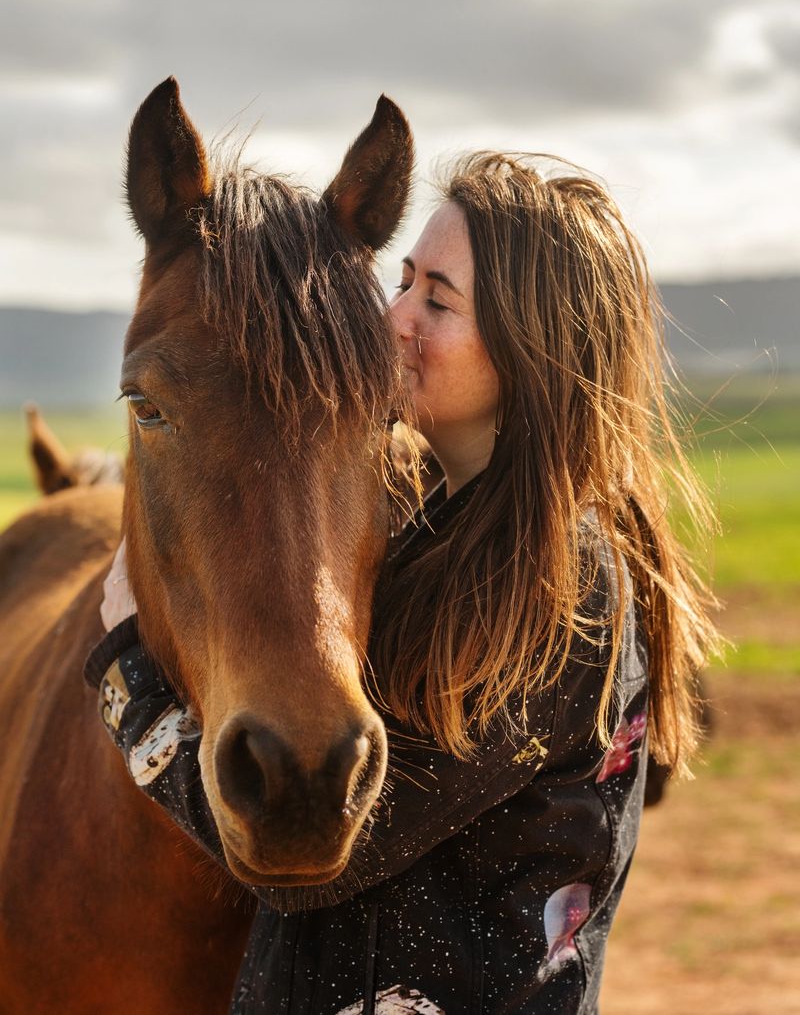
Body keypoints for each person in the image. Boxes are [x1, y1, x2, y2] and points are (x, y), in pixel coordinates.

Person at [86, 152, 718, 1013]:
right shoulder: (422, 534)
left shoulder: (560, 591)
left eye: (439, 300)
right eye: (405, 281)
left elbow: (311, 865)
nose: (395, 320)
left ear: (534, 342)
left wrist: (132, 681)